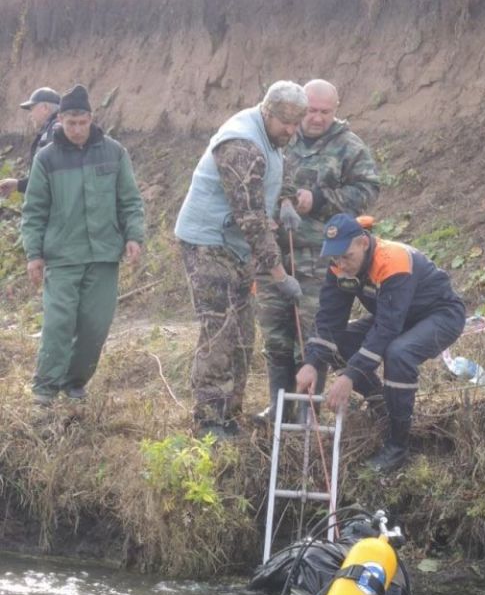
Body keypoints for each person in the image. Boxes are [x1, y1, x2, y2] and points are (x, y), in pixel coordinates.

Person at [175, 80, 308, 440]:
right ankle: (208, 421)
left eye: (298, 123)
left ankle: (230, 415)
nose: (292, 131)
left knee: (244, 332)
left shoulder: (276, 135)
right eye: (286, 123)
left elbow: (283, 165)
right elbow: (250, 221)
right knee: (220, 329)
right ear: (267, 111)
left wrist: (285, 199)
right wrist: (279, 275)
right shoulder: (240, 146)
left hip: (236, 246)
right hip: (208, 242)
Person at [296, 214, 466, 472]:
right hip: (397, 317)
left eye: (346, 256)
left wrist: (350, 376)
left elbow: (387, 329)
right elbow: (330, 319)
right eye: (335, 258)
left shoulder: (393, 261)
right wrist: (311, 362)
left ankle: (397, 447)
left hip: (440, 315)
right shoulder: (339, 267)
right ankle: (383, 408)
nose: (341, 265)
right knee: (341, 342)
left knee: (399, 354)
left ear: (363, 243)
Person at [255, 78, 380, 421]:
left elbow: (369, 190)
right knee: (276, 337)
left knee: (312, 337)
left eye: (325, 112)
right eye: (311, 110)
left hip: (320, 258)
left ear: (335, 111)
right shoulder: (280, 136)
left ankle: (309, 412)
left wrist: (322, 200)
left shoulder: (349, 146)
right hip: (273, 255)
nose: (317, 118)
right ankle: (280, 407)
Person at [21, 83, 145, 405]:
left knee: (95, 327)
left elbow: (129, 200)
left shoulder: (114, 152)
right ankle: (44, 392)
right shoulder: (47, 159)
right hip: (62, 257)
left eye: (82, 122)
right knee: (58, 324)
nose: (77, 130)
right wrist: (34, 254)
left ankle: (74, 384)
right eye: (70, 123)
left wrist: (134, 236)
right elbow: (34, 209)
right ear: (60, 119)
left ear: (91, 118)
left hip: (103, 255)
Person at [0, 87, 60, 199]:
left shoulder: (56, 131)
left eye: (32, 108)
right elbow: (44, 180)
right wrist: (19, 185)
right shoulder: (50, 131)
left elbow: (55, 180)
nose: (30, 115)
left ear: (45, 108)